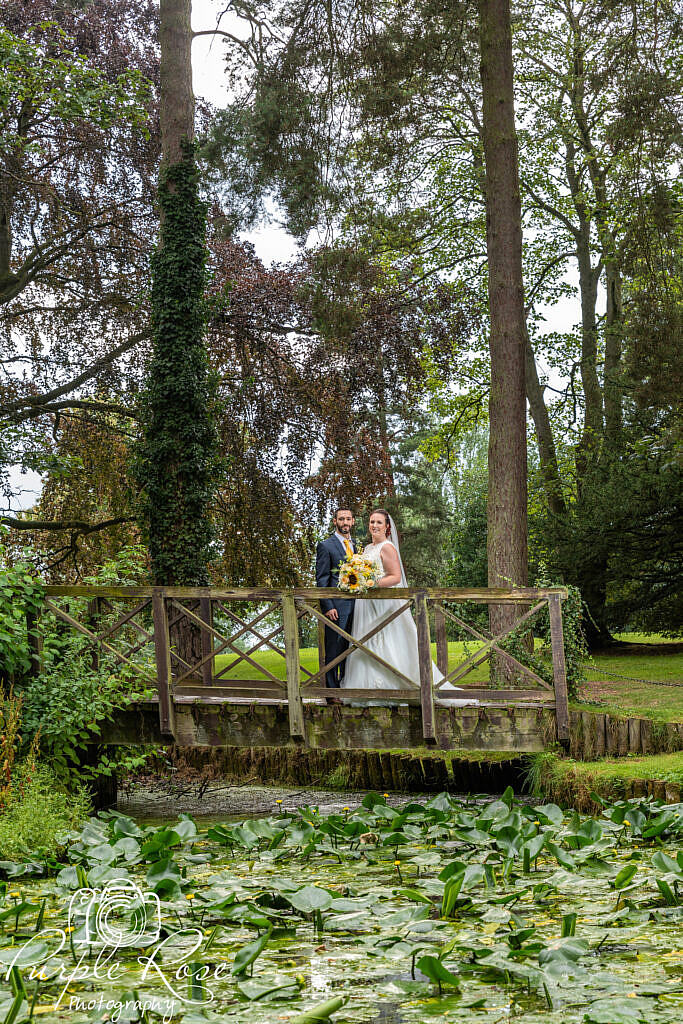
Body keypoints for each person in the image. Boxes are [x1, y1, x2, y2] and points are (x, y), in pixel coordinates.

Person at [341, 509, 479, 707]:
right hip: (366, 604)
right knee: (367, 641)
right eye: (372, 522)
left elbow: (395, 577)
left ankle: (399, 686)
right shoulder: (367, 548)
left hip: (384, 604)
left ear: (387, 526)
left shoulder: (387, 548)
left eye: (379, 522)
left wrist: (370, 583)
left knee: (388, 641)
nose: (374, 526)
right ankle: (367, 688)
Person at [315, 507, 357, 703]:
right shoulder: (326, 545)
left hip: (356, 607)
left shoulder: (356, 546)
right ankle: (331, 693)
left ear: (353, 521)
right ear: (335, 522)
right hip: (336, 608)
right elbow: (322, 579)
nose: (345, 522)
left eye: (348, 519)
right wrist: (328, 605)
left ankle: (344, 686)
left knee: (349, 649)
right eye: (341, 519)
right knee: (333, 649)